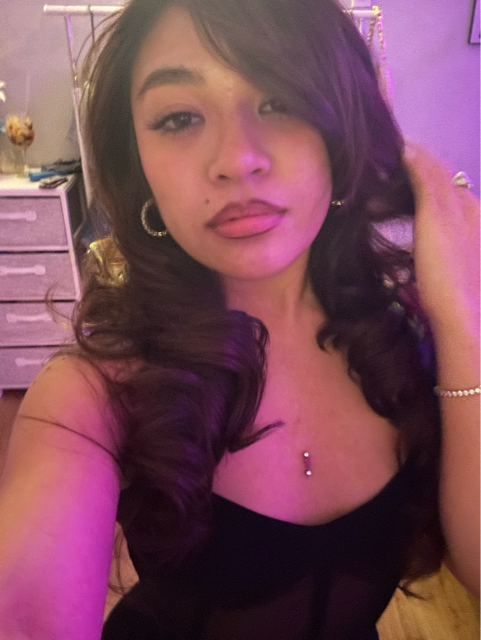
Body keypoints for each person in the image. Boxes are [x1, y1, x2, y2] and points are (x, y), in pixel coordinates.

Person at [0, 0, 480, 638]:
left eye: (281, 101)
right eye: (179, 118)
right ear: (138, 161)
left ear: (344, 135)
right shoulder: (95, 393)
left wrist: (463, 319)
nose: (237, 158)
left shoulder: (407, 348)